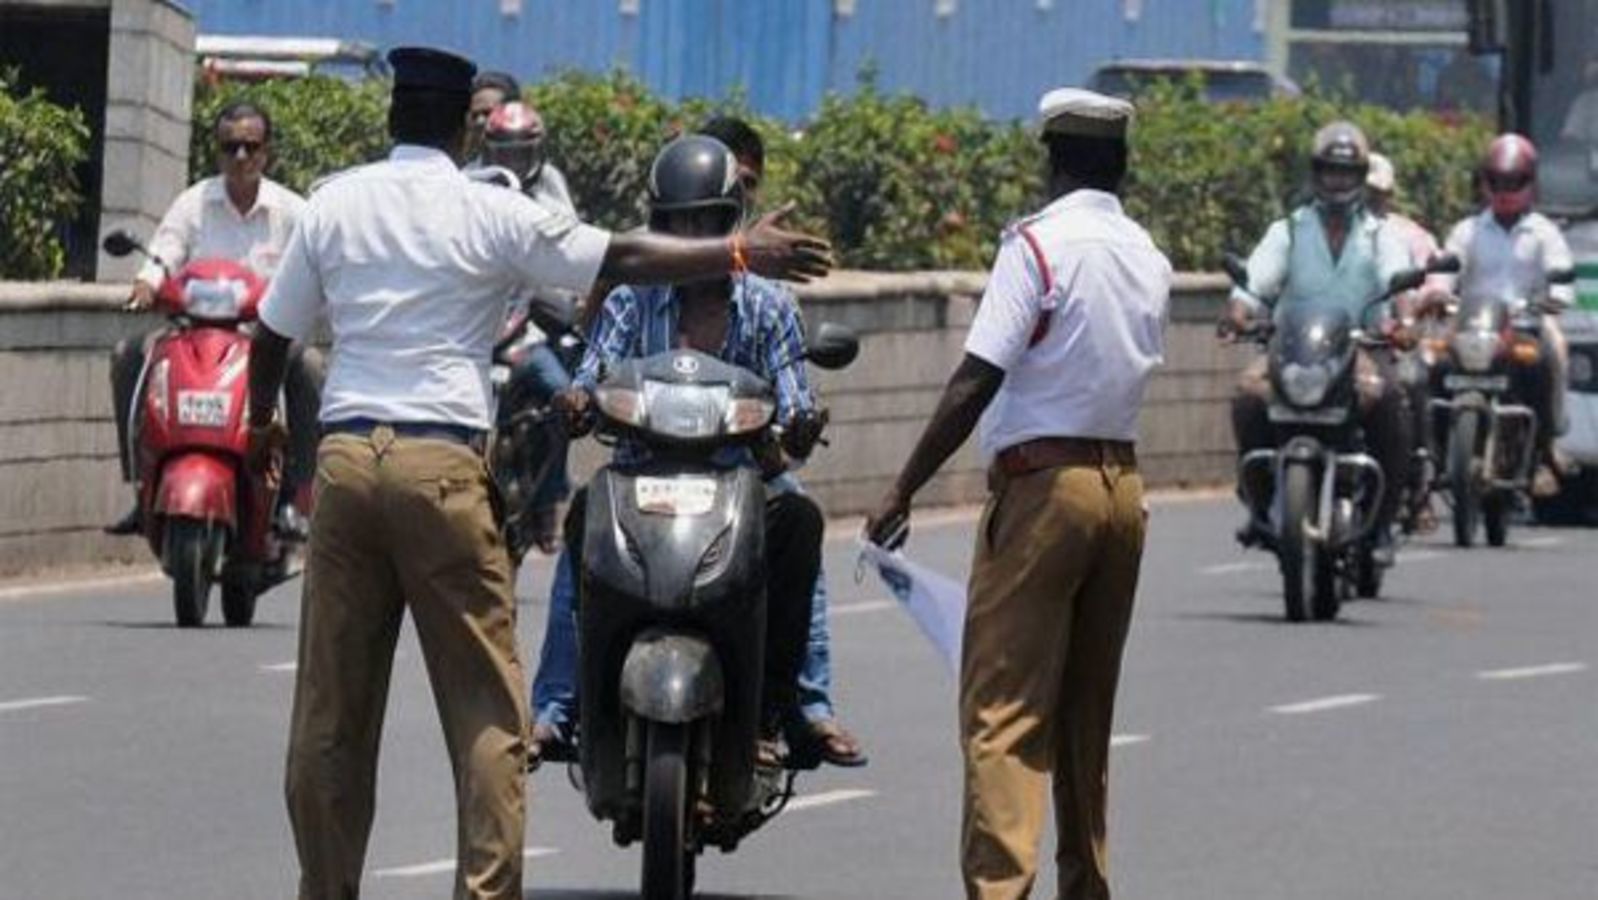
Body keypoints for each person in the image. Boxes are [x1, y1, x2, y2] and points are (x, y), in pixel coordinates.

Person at [244, 47, 831, 900]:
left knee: (330, 718)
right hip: (441, 462)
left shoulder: (334, 204)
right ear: (465, 127)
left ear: (389, 121)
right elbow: (623, 259)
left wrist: (267, 425)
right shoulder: (490, 211)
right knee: (485, 711)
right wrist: (736, 252)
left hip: (345, 463)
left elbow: (271, 337)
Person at [865, 87, 1171, 900]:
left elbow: (977, 377)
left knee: (1002, 712)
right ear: (1122, 166)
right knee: (1084, 714)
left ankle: (1000, 891)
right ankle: (1086, 885)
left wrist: (902, 490)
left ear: (1054, 161)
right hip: (1121, 490)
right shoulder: (1147, 254)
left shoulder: (1037, 246)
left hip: (1044, 490)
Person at [525, 115, 869, 770]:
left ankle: (781, 710)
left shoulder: (768, 305)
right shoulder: (631, 298)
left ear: (733, 219)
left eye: (707, 223)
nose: (692, 240)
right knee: (582, 522)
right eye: (677, 225)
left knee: (799, 519)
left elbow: (796, 396)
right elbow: (593, 369)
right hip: (639, 481)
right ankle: (564, 708)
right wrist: (574, 400)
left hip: (742, 482)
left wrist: (796, 428)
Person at [105, 99, 321, 538]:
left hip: (265, 339)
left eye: (250, 146)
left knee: (310, 367)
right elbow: (165, 251)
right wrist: (147, 283)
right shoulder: (194, 202)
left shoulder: (294, 213)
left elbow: (317, 268)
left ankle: (296, 496)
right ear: (217, 152)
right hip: (193, 334)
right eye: (230, 147)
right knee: (127, 355)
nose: (240, 157)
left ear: (267, 152)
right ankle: (141, 485)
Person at [1225, 120, 1414, 564]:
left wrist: (1401, 321)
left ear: (1361, 177)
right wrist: (1239, 312)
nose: (1338, 181)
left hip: (1360, 350)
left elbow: (1396, 279)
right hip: (1292, 352)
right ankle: (1261, 500)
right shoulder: (1289, 230)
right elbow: (1256, 281)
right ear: (1316, 173)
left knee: (1392, 401)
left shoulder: (1380, 234)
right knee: (1247, 396)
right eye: (1330, 171)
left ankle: (1382, 523)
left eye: (1347, 173)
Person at [1428, 133, 1575, 494]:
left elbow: (1560, 277)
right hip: (1473, 328)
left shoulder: (1544, 233)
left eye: (1515, 182)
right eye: (1497, 181)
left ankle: (1545, 449)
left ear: (1531, 183)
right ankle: (1429, 455)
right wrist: (1436, 291)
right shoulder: (1468, 230)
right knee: (1428, 364)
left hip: (1525, 327)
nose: (1506, 190)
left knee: (1551, 353)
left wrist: (1554, 299)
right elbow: (1447, 269)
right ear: (1484, 183)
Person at [477, 100, 581, 554]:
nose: (512, 163)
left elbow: (573, 247)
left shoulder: (551, 189)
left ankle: (548, 499)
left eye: (521, 152)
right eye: (503, 151)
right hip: (476, 329)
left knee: (565, 397)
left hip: (529, 329)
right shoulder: (470, 186)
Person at [1366, 152, 1442, 531]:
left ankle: (1415, 486)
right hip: (1336, 345)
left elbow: (1433, 280)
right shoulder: (1314, 230)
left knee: (1411, 384)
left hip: (1392, 344)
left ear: (1390, 195)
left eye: (1375, 194)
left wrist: (1424, 305)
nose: (1367, 201)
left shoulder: (1407, 237)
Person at [466, 69, 519, 161]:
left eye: (488, 113)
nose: (479, 121)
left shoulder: (542, 174)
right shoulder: (463, 174)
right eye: (474, 116)